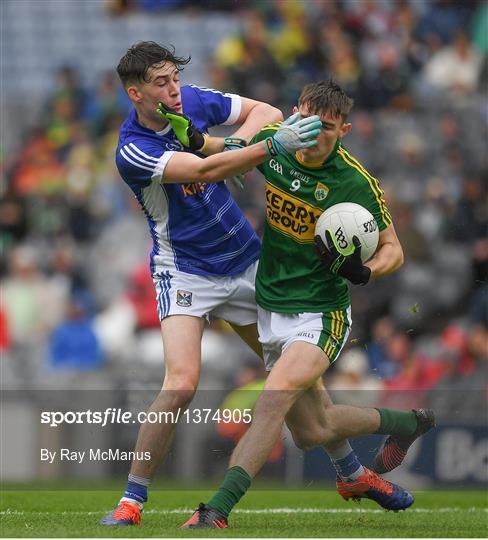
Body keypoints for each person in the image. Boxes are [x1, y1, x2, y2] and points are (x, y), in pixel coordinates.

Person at [181, 80, 435, 529]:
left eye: (330, 129)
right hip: (271, 306)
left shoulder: (355, 182)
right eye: (310, 123)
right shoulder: (276, 147)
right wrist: (195, 152)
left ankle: (216, 511)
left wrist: (365, 271)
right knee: (312, 431)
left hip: (322, 314)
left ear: (346, 130)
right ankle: (405, 423)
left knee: (271, 403)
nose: (317, 136)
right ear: (295, 113)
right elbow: (230, 152)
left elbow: (394, 249)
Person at [100, 41, 322, 526]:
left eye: (175, 78)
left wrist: (242, 140)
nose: (174, 90)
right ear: (135, 93)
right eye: (161, 83)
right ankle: (132, 501)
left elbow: (265, 109)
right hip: (185, 271)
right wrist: (269, 145)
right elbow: (205, 169)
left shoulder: (191, 100)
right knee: (180, 385)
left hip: (245, 262)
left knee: (296, 373)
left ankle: (350, 470)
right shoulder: (132, 149)